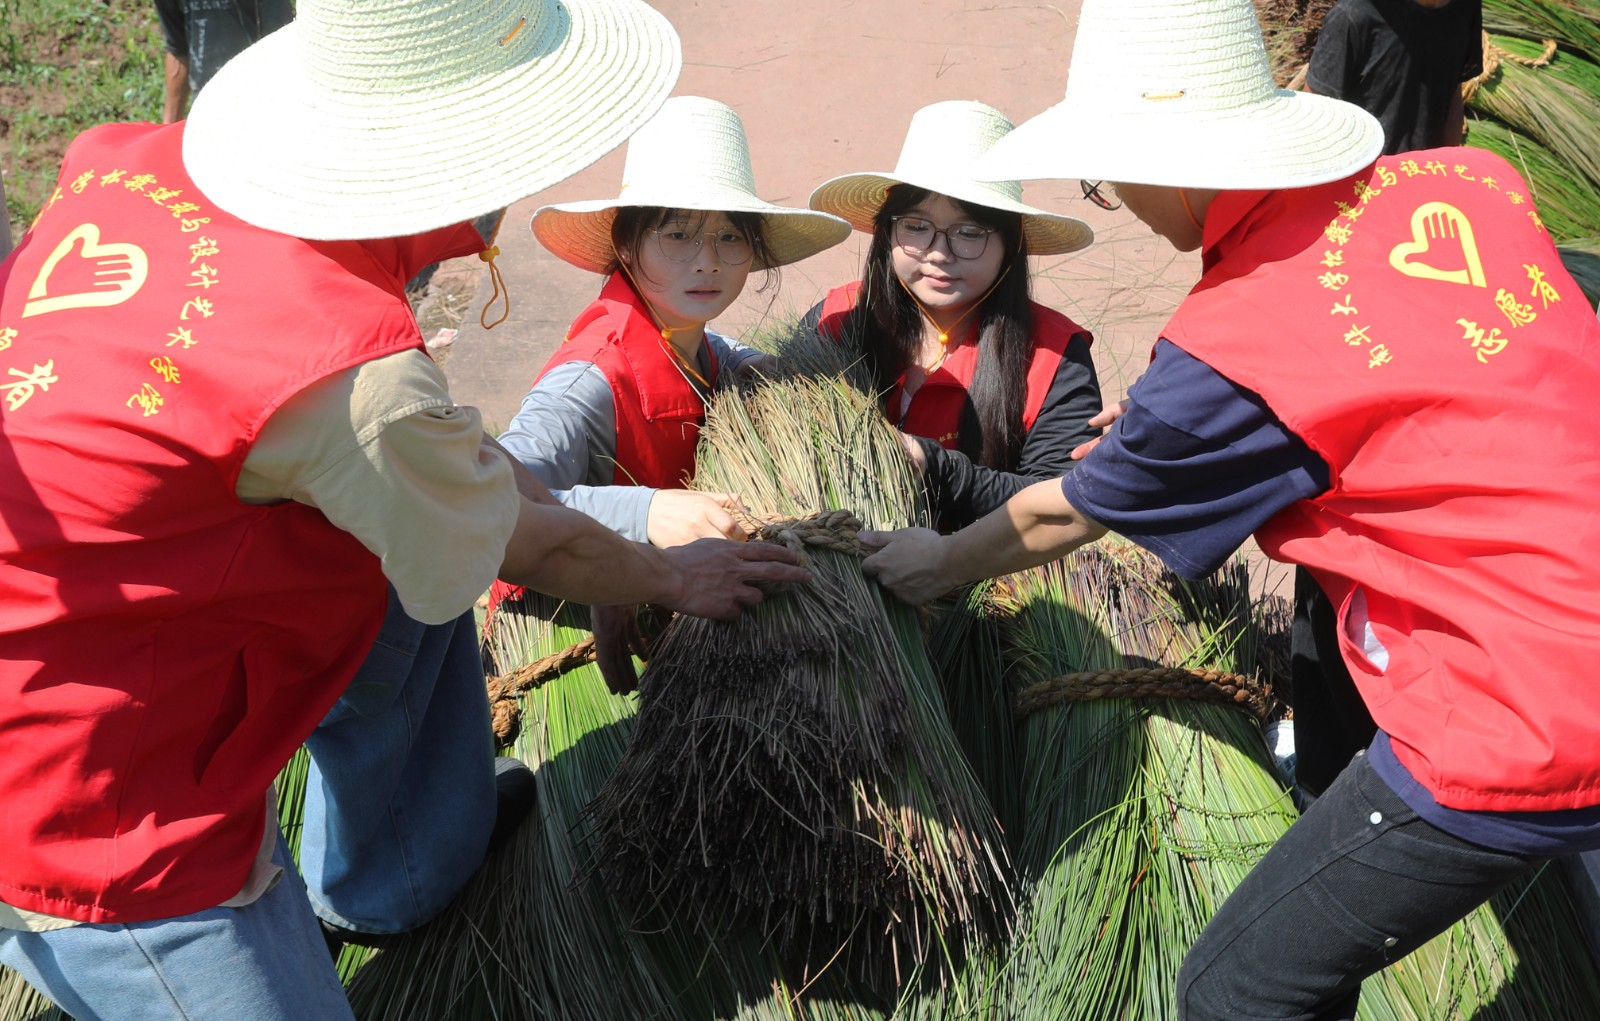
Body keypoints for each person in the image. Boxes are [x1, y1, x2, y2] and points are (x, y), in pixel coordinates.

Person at [0, 3, 806, 1019]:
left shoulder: (131, 161)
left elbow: (448, 472)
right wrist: (670, 573)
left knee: (407, 586)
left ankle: (396, 877)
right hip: (90, 795)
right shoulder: (344, 364)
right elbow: (522, 534)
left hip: (122, 599)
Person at [859, 1, 1600, 1018]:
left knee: (1237, 984)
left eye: (1106, 178)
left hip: (1520, 706)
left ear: (1161, 162)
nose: (1115, 196)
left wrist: (934, 565)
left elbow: (1060, 515)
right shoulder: (1464, 184)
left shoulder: (1227, 343)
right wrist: (1193, 417)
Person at [491, 95, 849, 690]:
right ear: (626, 248)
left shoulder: (691, 340)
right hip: (559, 617)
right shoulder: (587, 380)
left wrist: (758, 365)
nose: (707, 263)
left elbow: (720, 348)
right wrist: (645, 514)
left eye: (731, 238)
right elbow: (500, 503)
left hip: (667, 595)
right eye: (678, 235)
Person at [1289, 0, 1484, 802]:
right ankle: (1324, 753)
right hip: (1352, 248)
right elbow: (1318, 136)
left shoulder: (1461, 10)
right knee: (1335, 487)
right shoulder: (1357, 21)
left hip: (1426, 252)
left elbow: (1451, 112)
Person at [804, 99, 1103, 529]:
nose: (939, 253)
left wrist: (938, 468)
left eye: (969, 232)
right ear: (888, 231)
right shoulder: (836, 317)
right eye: (915, 226)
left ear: (1011, 244)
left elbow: (1062, 504)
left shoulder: (1055, 355)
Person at [1306, 0, 1483, 153]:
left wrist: (1447, 163)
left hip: (1427, 175)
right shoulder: (1353, 15)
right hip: (1367, 181)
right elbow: (1312, 113)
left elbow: (1453, 88)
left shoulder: (1466, 8)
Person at [156, 0, 293, 124]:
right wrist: (168, 128)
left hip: (259, 110)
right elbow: (178, 50)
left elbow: (283, 40)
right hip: (205, 112)